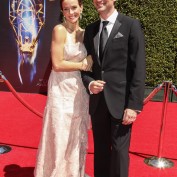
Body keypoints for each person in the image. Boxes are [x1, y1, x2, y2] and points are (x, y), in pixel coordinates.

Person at [81, 0, 146, 177]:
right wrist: (89, 83)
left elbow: (138, 67)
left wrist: (133, 105)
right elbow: (85, 67)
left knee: (119, 152)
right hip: (98, 102)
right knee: (101, 150)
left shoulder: (131, 25)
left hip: (122, 103)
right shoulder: (90, 29)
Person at [34, 0, 92, 176]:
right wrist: (83, 64)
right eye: (66, 9)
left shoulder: (85, 33)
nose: (70, 12)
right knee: (60, 132)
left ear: (81, 7)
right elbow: (57, 64)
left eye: (74, 7)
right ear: (62, 11)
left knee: (76, 133)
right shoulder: (59, 30)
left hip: (79, 90)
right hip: (60, 88)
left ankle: (74, 172)